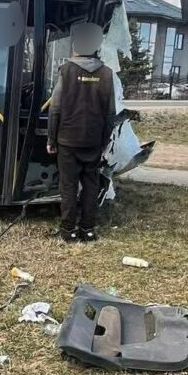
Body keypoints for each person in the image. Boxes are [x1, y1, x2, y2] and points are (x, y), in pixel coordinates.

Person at [47, 22, 116, 243]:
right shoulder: (106, 74)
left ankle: (68, 231)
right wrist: (104, 141)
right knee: (91, 184)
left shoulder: (66, 71)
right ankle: (88, 229)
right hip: (94, 141)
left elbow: (55, 108)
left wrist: (51, 138)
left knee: (68, 186)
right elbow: (110, 112)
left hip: (67, 140)